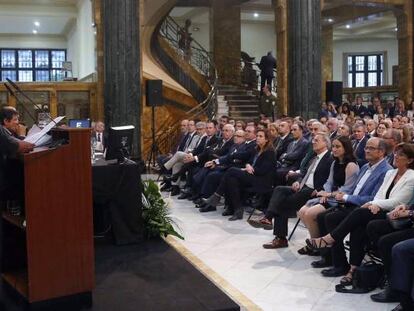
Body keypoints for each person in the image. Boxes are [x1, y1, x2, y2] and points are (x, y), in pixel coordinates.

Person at [307, 143, 414, 286]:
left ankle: (330, 239)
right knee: (358, 224)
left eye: (400, 154)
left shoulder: (411, 177)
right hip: (378, 209)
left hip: (393, 214)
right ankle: (352, 269)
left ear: (410, 160)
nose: (395, 156)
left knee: (358, 214)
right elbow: (380, 194)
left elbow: (398, 201)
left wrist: (375, 204)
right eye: (395, 152)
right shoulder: (391, 173)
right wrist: (375, 203)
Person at [311, 137, 392, 274]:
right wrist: (341, 196)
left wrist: (347, 197)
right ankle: (332, 259)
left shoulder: (386, 171)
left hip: (365, 208)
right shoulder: (366, 166)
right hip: (351, 204)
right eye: (366, 147)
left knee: (333, 218)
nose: (366, 150)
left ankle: (342, 265)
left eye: (371, 148)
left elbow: (373, 198)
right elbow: (354, 188)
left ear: (381, 152)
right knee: (323, 216)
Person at [248, 133, 333, 248]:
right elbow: (304, 173)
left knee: (282, 203)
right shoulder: (314, 157)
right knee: (279, 189)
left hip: (313, 191)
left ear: (325, 143)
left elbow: (330, 179)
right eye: (313, 140)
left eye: (316, 140)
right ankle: (268, 219)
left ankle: (279, 237)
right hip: (304, 186)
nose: (313, 142)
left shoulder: (329, 158)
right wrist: (298, 180)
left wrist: (320, 190)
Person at [297, 136, 359, 255]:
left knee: (309, 213)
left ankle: (317, 245)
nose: (334, 149)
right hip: (330, 196)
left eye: (338, 147)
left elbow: (347, 190)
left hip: (340, 200)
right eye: (334, 146)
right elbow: (328, 182)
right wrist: (325, 193)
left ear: (346, 148)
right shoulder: (335, 162)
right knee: (302, 211)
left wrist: (328, 194)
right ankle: (316, 243)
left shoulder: (351, 165)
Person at [201, 129, 276, 220]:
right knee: (232, 180)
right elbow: (248, 161)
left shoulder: (270, 152)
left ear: (267, 139)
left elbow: (263, 170)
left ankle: (217, 196)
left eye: (261, 136)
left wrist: (248, 169)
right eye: (257, 136)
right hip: (252, 176)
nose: (258, 138)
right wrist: (248, 165)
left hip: (262, 181)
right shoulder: (256, 149)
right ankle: (237, 209)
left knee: (232, 171)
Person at [0, 106, 34, 199]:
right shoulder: (1, 132)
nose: (18, 122)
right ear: (6, 121)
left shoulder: (7, 132)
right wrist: (22, 134)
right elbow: (24, 147)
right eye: (15, 119)